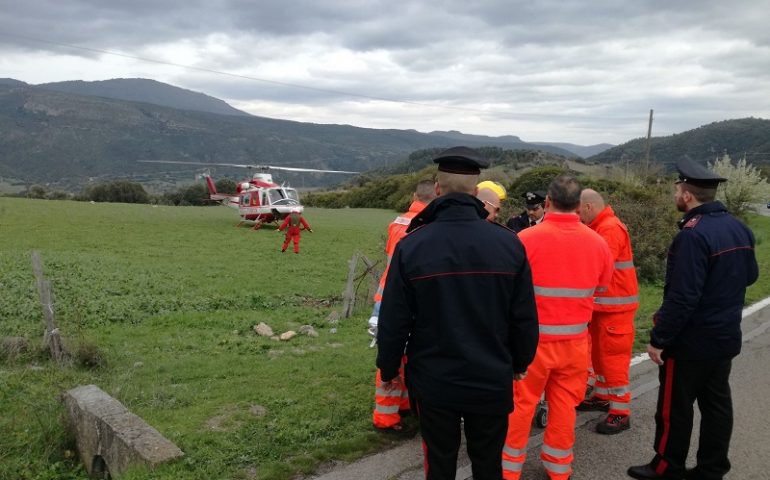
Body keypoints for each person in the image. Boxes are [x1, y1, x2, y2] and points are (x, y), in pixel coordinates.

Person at [377, 146, 539, 480]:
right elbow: (523, 315)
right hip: (491, 376)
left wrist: (389, 366)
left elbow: (394, 319)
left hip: (435, 379)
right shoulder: (509, 243)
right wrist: (520, 362)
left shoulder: (412, 245)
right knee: (488, 463)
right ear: (476, 192)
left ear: (438, 189)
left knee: (439, 462)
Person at [627, 158, 758, 480]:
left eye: (676, 189)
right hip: (725, 335)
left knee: (674, 408)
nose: (675, 194)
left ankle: (666, 466)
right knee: (717, 405)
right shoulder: (738, 227)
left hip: (691, 342)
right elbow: (751, 276)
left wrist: (660, 340)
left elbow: (682, 297)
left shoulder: (691, 235)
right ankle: (712, 468)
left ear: (687, 195)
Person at [502, 175, 613, 480]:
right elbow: (601, 287)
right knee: (564, 406)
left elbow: (509, 291)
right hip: (575, 343)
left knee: (522, 405)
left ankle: (509, 469)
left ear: (547, 203)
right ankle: (558, 468)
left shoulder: (524, 239)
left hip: (531, 343)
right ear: (579, 205)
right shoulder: (598, 242)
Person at [370, 179, 437, 432]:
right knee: (398, 358)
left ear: (413, 195)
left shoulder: (397, 222)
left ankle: (402, 405)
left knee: (395, 355)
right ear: (437, 197)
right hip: (404, 300)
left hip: (385, 297)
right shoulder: (426, 226)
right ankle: (385, 417)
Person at [577, 188, 639, 434]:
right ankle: (602, 395)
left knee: (613, 359)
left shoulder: (609, 229)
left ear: (589, 208)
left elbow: (599, 267)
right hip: (605, 306)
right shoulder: (600, 227)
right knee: (600, 356)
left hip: (616, 308)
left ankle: (621, 412)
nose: (578, 216)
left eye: (579, 211)